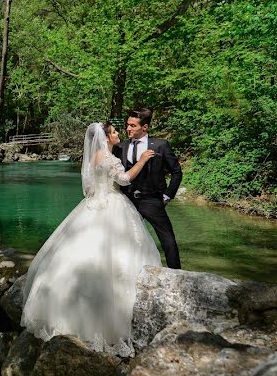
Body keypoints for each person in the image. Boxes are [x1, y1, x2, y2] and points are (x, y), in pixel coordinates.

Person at [21, 121, 161, 356]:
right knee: (114, 259)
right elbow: (125, 179)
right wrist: (143, 160)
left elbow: (89, 188)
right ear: (106, 137)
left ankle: (64, 315)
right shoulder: (110, 158)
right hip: (113, 206)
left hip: (92, 205)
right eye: (115, 132)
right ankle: (109, 325)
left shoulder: (94, 157)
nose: (119, 134)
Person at [113, 108, 183, 269]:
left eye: (132, 125)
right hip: (127, 201)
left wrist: (167, 196)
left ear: (145, 127)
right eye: (127, 125)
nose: (128, 129)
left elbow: (176, 172)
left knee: (168, 241)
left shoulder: (161, 145)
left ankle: (177, 276)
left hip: (152, 200)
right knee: (125, 240)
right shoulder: (120, 147)